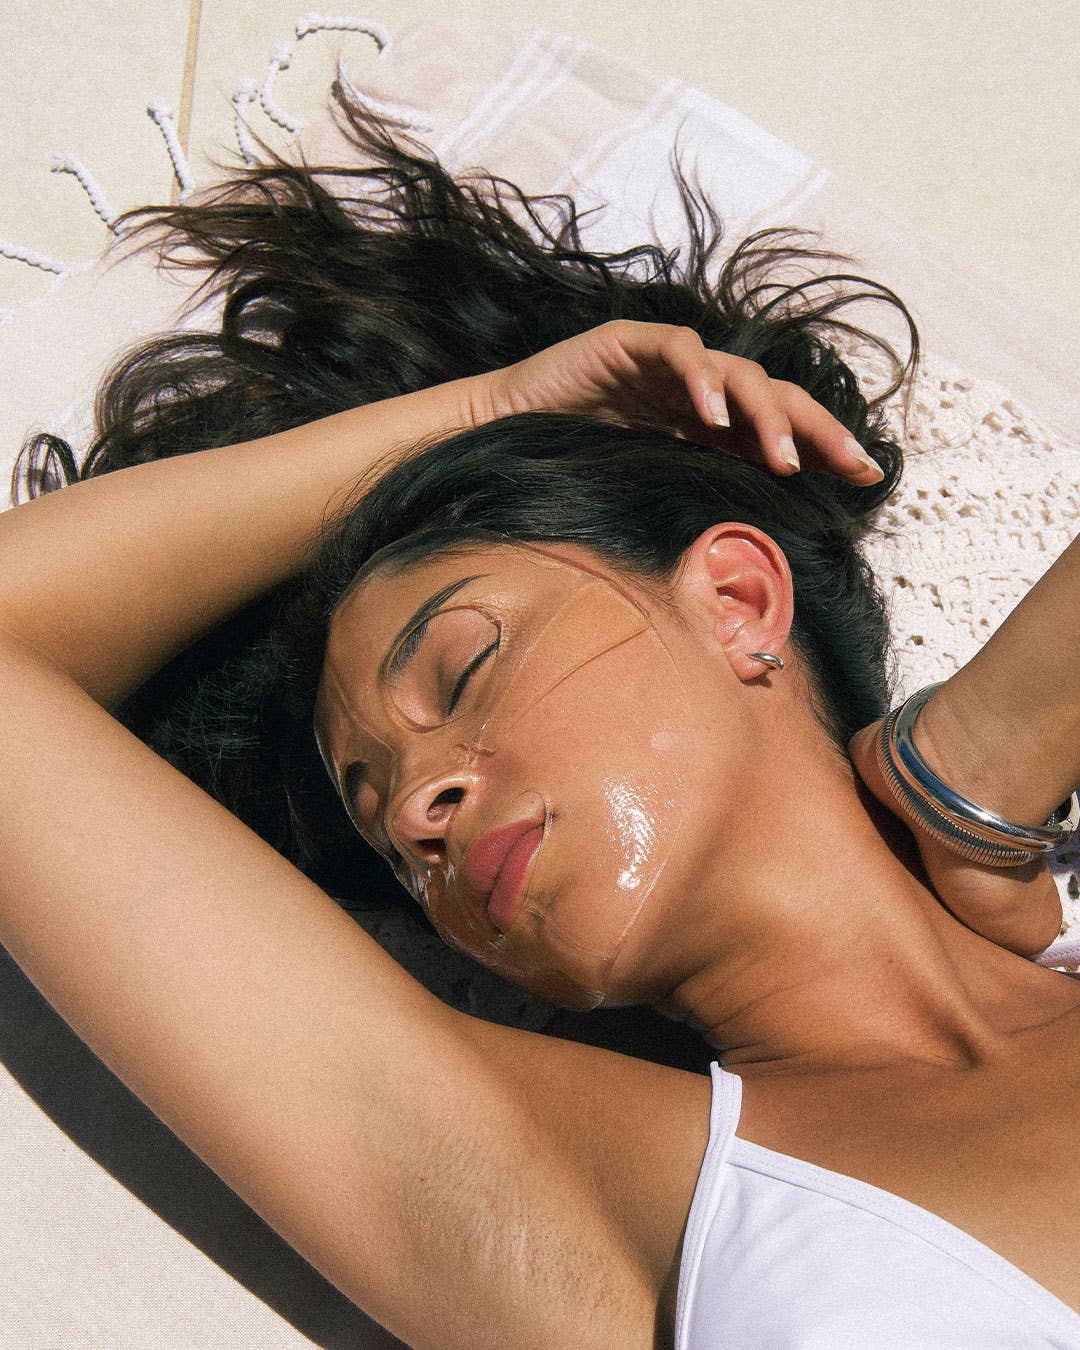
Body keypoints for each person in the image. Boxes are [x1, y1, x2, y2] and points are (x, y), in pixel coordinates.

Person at [4, 96, 1079, 1348]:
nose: (422, 813)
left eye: (462, 671)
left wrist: (979, 760)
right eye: (389, 837)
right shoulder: (585, 1200)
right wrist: (482, 411)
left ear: (737, 599)